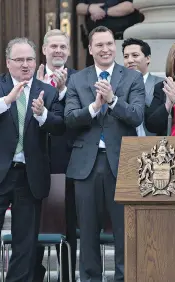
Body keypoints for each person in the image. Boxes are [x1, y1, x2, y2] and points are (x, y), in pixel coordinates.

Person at [64, 25, 145, 282]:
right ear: (90, 49)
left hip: (121, 164)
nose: (105, 49)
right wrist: (93, 107)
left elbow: (136, 116)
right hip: (85, 166)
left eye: (109, 44)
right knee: (87, 233)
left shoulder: (132, 78)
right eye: (99, 45)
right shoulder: (78, 79)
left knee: (124, 233)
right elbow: (69, 119)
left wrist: (112, 100)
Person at [0, 37, 65, 282]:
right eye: (19, 60)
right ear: (8, 62)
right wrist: (7, 101)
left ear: (36, 61)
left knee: (25, 242)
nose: (25, 65)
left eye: (30, 59)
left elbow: (60, 125)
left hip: (29, 176)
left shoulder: (49, 91)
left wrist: (43, 115)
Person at [33, 29, 77, 282]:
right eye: (53, 46)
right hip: (35, 163)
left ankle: (67, 276)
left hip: (65, 163)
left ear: (69, 51)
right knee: (34, 227)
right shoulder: (32, 79)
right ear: (44, 50)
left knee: (66, 226)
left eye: (62, 46)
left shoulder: (79, 80)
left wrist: (61, 92)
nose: (58, 50)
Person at [76, 0, 143, 66]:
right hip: (95, 42)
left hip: (120, 40)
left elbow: (130, 6)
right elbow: (79, 7)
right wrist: (90, 8)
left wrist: (104, 11)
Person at [122, 38, 164, 136]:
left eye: (135, 55)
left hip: (154, 143)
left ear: (148, 58)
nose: (130, 60)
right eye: (126, 56)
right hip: (125, 143)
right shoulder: (118, 85)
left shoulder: (162, 83)